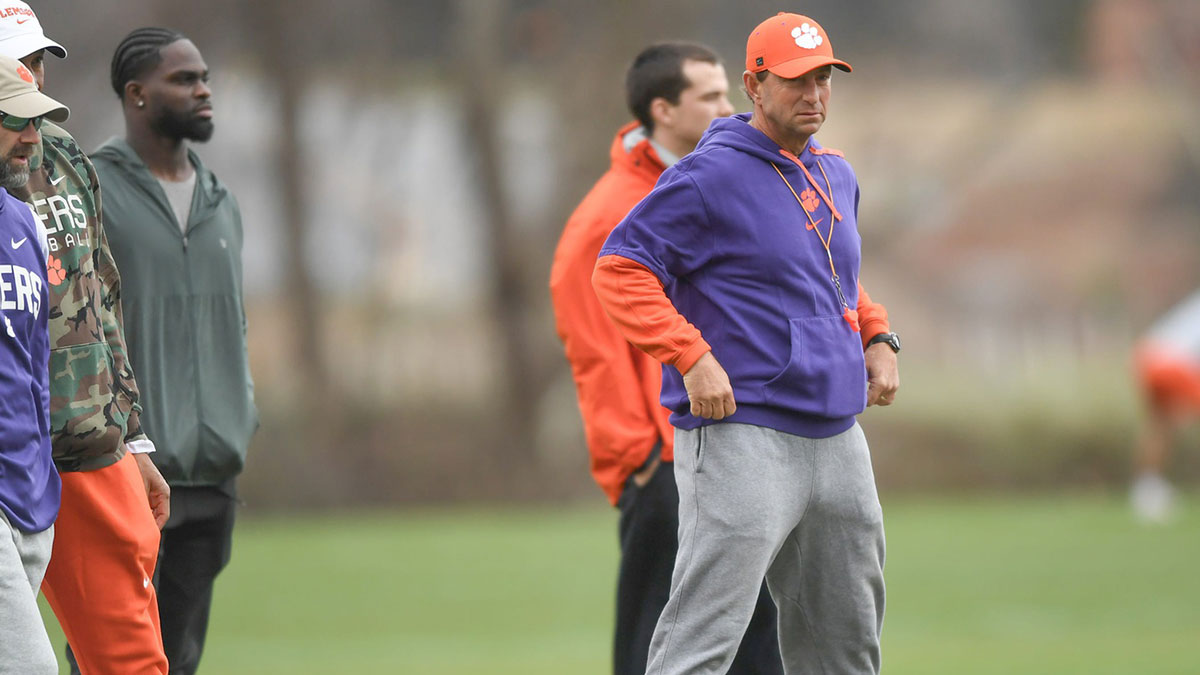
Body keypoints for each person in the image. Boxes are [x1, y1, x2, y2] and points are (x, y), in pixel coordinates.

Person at [592, 13, 900, 674]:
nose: (814, 94)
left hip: (838, 437)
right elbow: (620, 268)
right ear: (755, 87)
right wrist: (691, 355)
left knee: (846, 650)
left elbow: (830, 274)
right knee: (701, 643)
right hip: (743, 437)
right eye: (795, 81)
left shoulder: (835, 173)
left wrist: (876, 333)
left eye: (823, 78)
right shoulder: (709, 177)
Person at [551, 42, 787, 675]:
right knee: (660, 647)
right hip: (665, 460)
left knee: (755, 642)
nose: (727, 106)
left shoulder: (716, 183)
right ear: (662, 109)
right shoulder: (608, 213)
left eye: (725, 92)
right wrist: (643, 461)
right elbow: (596, 351)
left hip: (736, 450)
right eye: (709, 95)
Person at [0, 7, 172, 674]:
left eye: (38, 60)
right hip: (13, 451)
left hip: (84, 449)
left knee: (130, 660)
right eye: (17, 63)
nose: (33, 76)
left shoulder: (66, 154)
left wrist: (130, 435)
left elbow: (100, 295)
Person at [91, 28, 258, 675]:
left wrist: (241, 414)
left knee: (180, 659)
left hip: (213, 474)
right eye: (184, 79)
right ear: (137, 94)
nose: (203, 89)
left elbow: (234, 325)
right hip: (130, 472)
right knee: (109, 659)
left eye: (204, 76)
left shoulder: (221, 203)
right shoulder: (92, 189)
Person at [0, 53, 66, 675]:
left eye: (37, 121)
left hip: (31, 495)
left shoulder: (23, 220)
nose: (31, 138)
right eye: (16, 121)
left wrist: (43, 468)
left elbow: (33, 359)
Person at [1130, 289, 1200, 522]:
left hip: (1147, 355)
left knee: (1160, 425)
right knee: (1164, 424)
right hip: (1174, 362)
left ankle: (1148, 492)